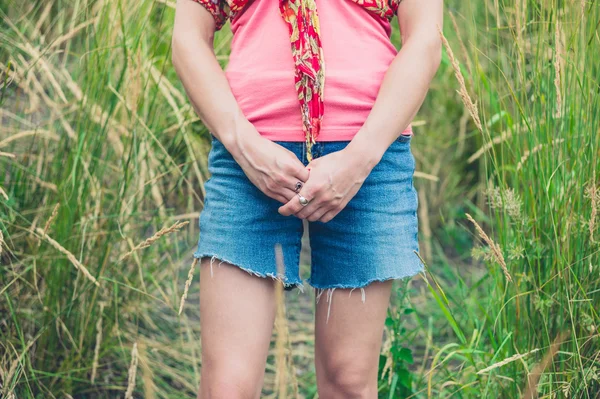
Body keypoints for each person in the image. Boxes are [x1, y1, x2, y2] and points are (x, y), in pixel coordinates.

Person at [171, 0, 443, 397]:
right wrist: (243, 145)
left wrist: (359, 160)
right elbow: (188, 37)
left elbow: (424, 39)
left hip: (369, 153)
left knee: (347, 380)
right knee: (227, 386)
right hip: (248, 154)